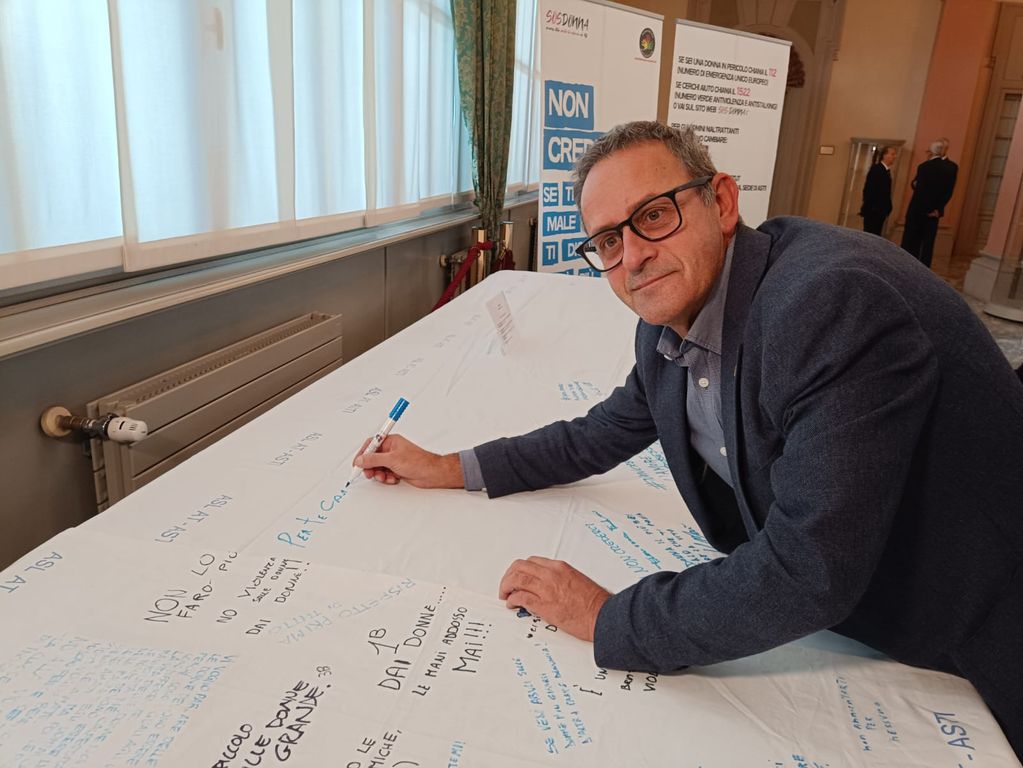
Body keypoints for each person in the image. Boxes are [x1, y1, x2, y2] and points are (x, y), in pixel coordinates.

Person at [355, 121, 1023, 756]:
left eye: (653, 215)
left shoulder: (826, 303)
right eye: (607, 241)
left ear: (721, 202)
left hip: (980, 624)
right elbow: (600, 433)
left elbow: (809, 570)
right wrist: (447, 466)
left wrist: (608, 617)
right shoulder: (669, 323)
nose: (633, 256)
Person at [901, 139, 956, 267]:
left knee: (915, 241)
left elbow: (921, 190)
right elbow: (947, 191)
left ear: (931, 151)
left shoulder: (925, 166)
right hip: (933, 212)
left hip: (920, 209)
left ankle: (909, 266)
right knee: (927, 243)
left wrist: (931, 209)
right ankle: (923, 269)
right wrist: (936, 209)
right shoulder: (948, 168)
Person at [859, 145, 896, 235]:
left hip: (880, 210)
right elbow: (870, 190)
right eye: (892, 154)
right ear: (884, 155)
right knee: (871, 234)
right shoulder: (877, 170)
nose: (894, 157)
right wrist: (872, 207)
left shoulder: (885, 171)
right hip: (874, 211)